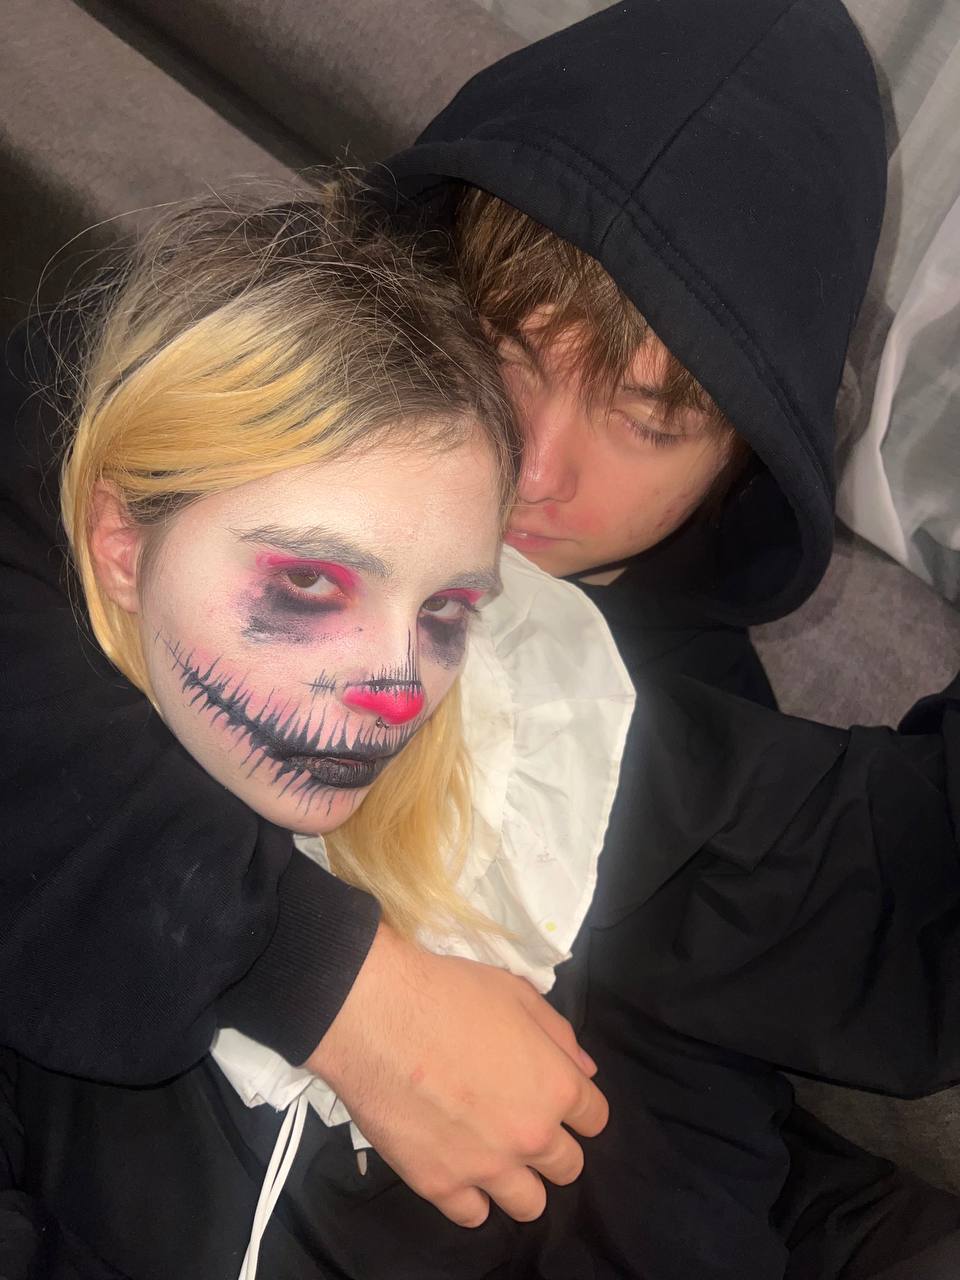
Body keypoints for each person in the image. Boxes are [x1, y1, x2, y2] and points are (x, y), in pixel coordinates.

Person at [0, 0, 957, 1264]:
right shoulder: (226, 363)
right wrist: (331, 980)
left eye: (647, 418)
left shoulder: (686, 750)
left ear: (740, 463)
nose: (533, 466)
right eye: (510, 345)